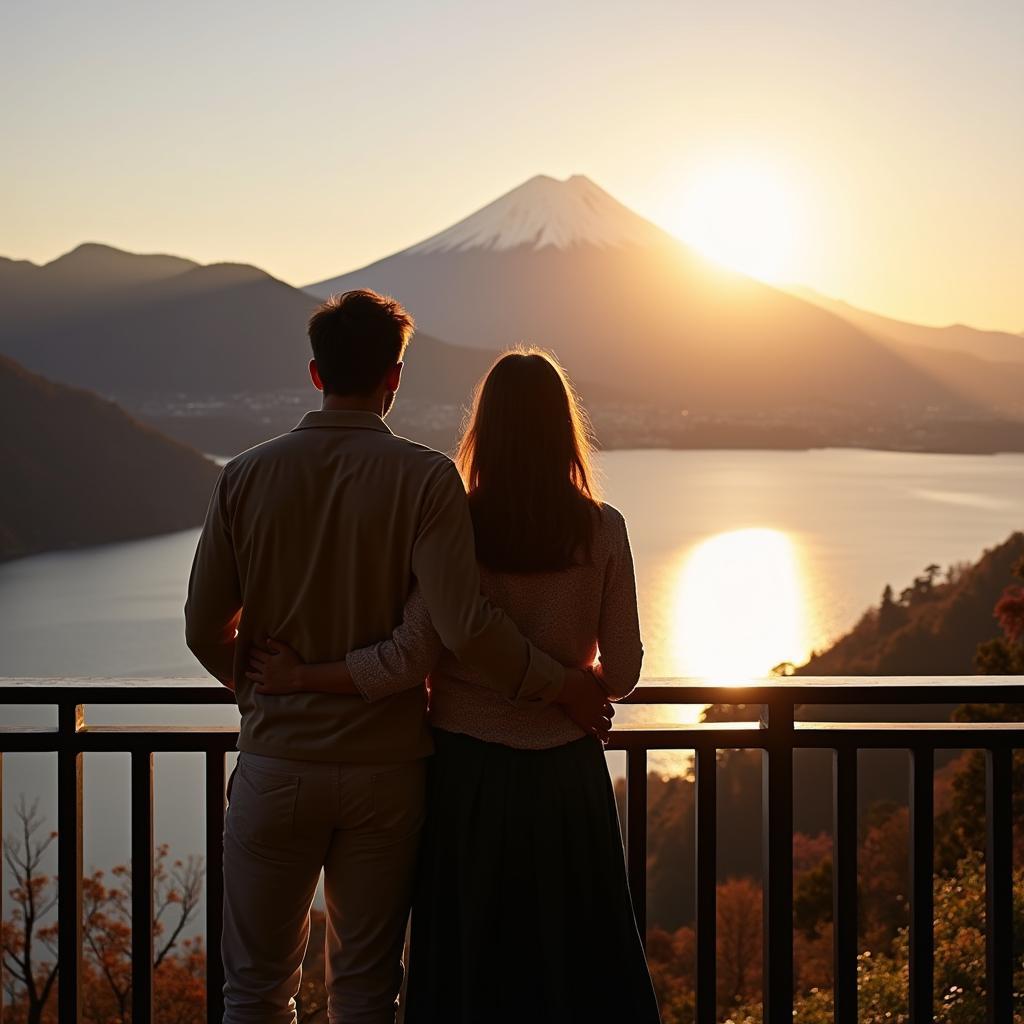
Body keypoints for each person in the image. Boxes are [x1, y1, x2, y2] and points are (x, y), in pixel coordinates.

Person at [184, 293, 611, 1024]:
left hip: (278, 762)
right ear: (396, 377)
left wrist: (263, 691)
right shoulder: (424, 479)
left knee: (253, 990)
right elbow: (464, 628)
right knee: (366, 990)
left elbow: (202, 626)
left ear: (316, 374)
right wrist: (565, 685)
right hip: (387, 771)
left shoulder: (245, 475)